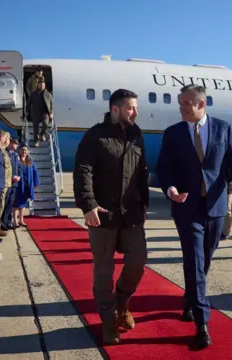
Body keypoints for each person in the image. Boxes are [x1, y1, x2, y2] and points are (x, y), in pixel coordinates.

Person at [155, 84, 232, 349]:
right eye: (180, 103)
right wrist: (170, 189)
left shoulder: (223, 128)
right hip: (186, 205)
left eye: (187, 103)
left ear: (201, 104)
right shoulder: (173, 133)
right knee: (194, 259)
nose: (182, 107)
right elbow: (164, 167)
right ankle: (202, 323)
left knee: (205, 258)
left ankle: (191, 297)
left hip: (216, 205)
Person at [73, 89, 149, 346]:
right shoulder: (95, 136)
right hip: (103, 215)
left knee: (138, 261)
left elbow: (141, 172)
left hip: (131, 214)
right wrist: (88, 205)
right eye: (130, 108)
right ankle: (108, 322)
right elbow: (83, 170)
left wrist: (145, 203)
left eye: (135, 108)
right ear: (115, 109)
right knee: (103, 272)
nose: (135, 112)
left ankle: (122, 303)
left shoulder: (136, 135)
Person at [12, 145, 39, 227]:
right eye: (22, 150)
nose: (24, 152)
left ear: (28, 152)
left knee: (23, 204)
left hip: (27, 185)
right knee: (16, 204)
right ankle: (15, 221)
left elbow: (35, 172)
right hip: (19, 185)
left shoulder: (30, 161)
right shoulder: (16, 160)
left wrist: (35, 183)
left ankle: (21, 220)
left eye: (26, 150)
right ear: (19, 151)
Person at [26, 79, 54, 147]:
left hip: (45, 112)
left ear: (44, 86)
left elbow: (52, 104)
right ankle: (36, 141)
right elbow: (28, 103)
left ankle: (41, 134)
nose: (41, 86)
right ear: (38, 85)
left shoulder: (48, 94)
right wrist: (27, 111)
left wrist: (51, 112)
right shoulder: (34, 94)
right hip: (35, 113)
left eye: (43, 85)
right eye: (40, 85)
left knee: (45, 124)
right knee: (36, 128)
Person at [0, 133, 12, 235]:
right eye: (7, 138)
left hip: (6, 183)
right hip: (2, 183)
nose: (8, 140)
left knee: (3, 205)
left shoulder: (4, 150)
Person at [0, 138, 20, 230]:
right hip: (8, 183)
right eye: (15, 144)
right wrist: (11, 177)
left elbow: (17, 168)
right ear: (11, 144)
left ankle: (8, 222)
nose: (16, 146)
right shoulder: (5, 153)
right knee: (5, 203)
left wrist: (19, 176)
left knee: (10, 204)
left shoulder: (15, 155)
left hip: (15, 183)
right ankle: (2, 223)